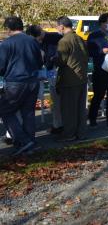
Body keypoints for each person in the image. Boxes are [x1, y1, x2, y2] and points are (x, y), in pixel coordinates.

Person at [0, 16, 43, 155]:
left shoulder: (6, 44)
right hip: (32, 81)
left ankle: (23, 140)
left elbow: (1, 66)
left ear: (8, 29)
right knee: (28, 112)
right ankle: (30, 143)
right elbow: (39, 61)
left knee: (6, 111)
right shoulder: (32, 41)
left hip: (15, 82)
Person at [54, 16, 88, 141]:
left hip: (69, 79)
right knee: (80, 108)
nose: (57, 28)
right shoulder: (78, 38)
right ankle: (81, 132)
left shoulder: (64, 41)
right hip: (81, 77)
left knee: (69, 109)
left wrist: (53, 59)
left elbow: (61, 61)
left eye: (57, 26)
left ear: (62, 26)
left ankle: (69, 134)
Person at [25, 25, 63, 134]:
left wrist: (48, 65)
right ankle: (58, 124)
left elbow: (52, 58)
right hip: (48, 71)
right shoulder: (39, 41)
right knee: (54, 99)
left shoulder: (55, 38)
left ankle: (58, 125)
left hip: (54, 71)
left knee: (56, 99)